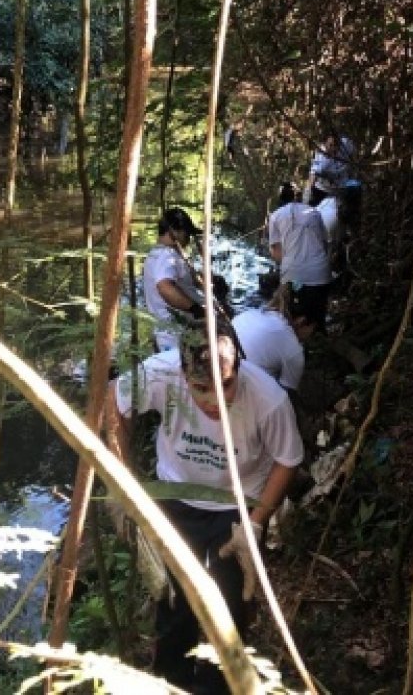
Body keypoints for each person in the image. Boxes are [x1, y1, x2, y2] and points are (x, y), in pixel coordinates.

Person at [106, 318, 303, 693]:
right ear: (183, 375)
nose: (215, 401)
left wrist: (257, 522)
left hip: (237, 505)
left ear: (238, 369)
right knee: (173, 601)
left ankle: (220, 685)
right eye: (201, 388)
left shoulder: (268, 398)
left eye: (225, 385)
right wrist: (120, 483)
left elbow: (287, 459)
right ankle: (171, 683)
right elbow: (114, 399)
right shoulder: (161, 375)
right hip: (176, 497)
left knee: (229, 608)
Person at [267, 182, 333, 331]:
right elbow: (325, 243)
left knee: (293, 323)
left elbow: (276, 253)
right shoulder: (313, 212)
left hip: (294, 275)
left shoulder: (275, 216)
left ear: (280, 198)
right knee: (317, 320)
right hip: (320, 272)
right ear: (299, 196)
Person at [230, 281, 313, 395]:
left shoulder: (249, 314)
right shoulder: (294, 351)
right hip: (240, 388)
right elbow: (286, 393)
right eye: (312, 329)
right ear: (302, 321)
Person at [142, 207, 207, 351]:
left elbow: (177, 282)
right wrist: (195, 308)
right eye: (187, 233)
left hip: (168, 332)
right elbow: (164, 287)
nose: (189, 239)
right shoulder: (166, 255)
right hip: (174, 336)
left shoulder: (156, 254)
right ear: (173, 231)